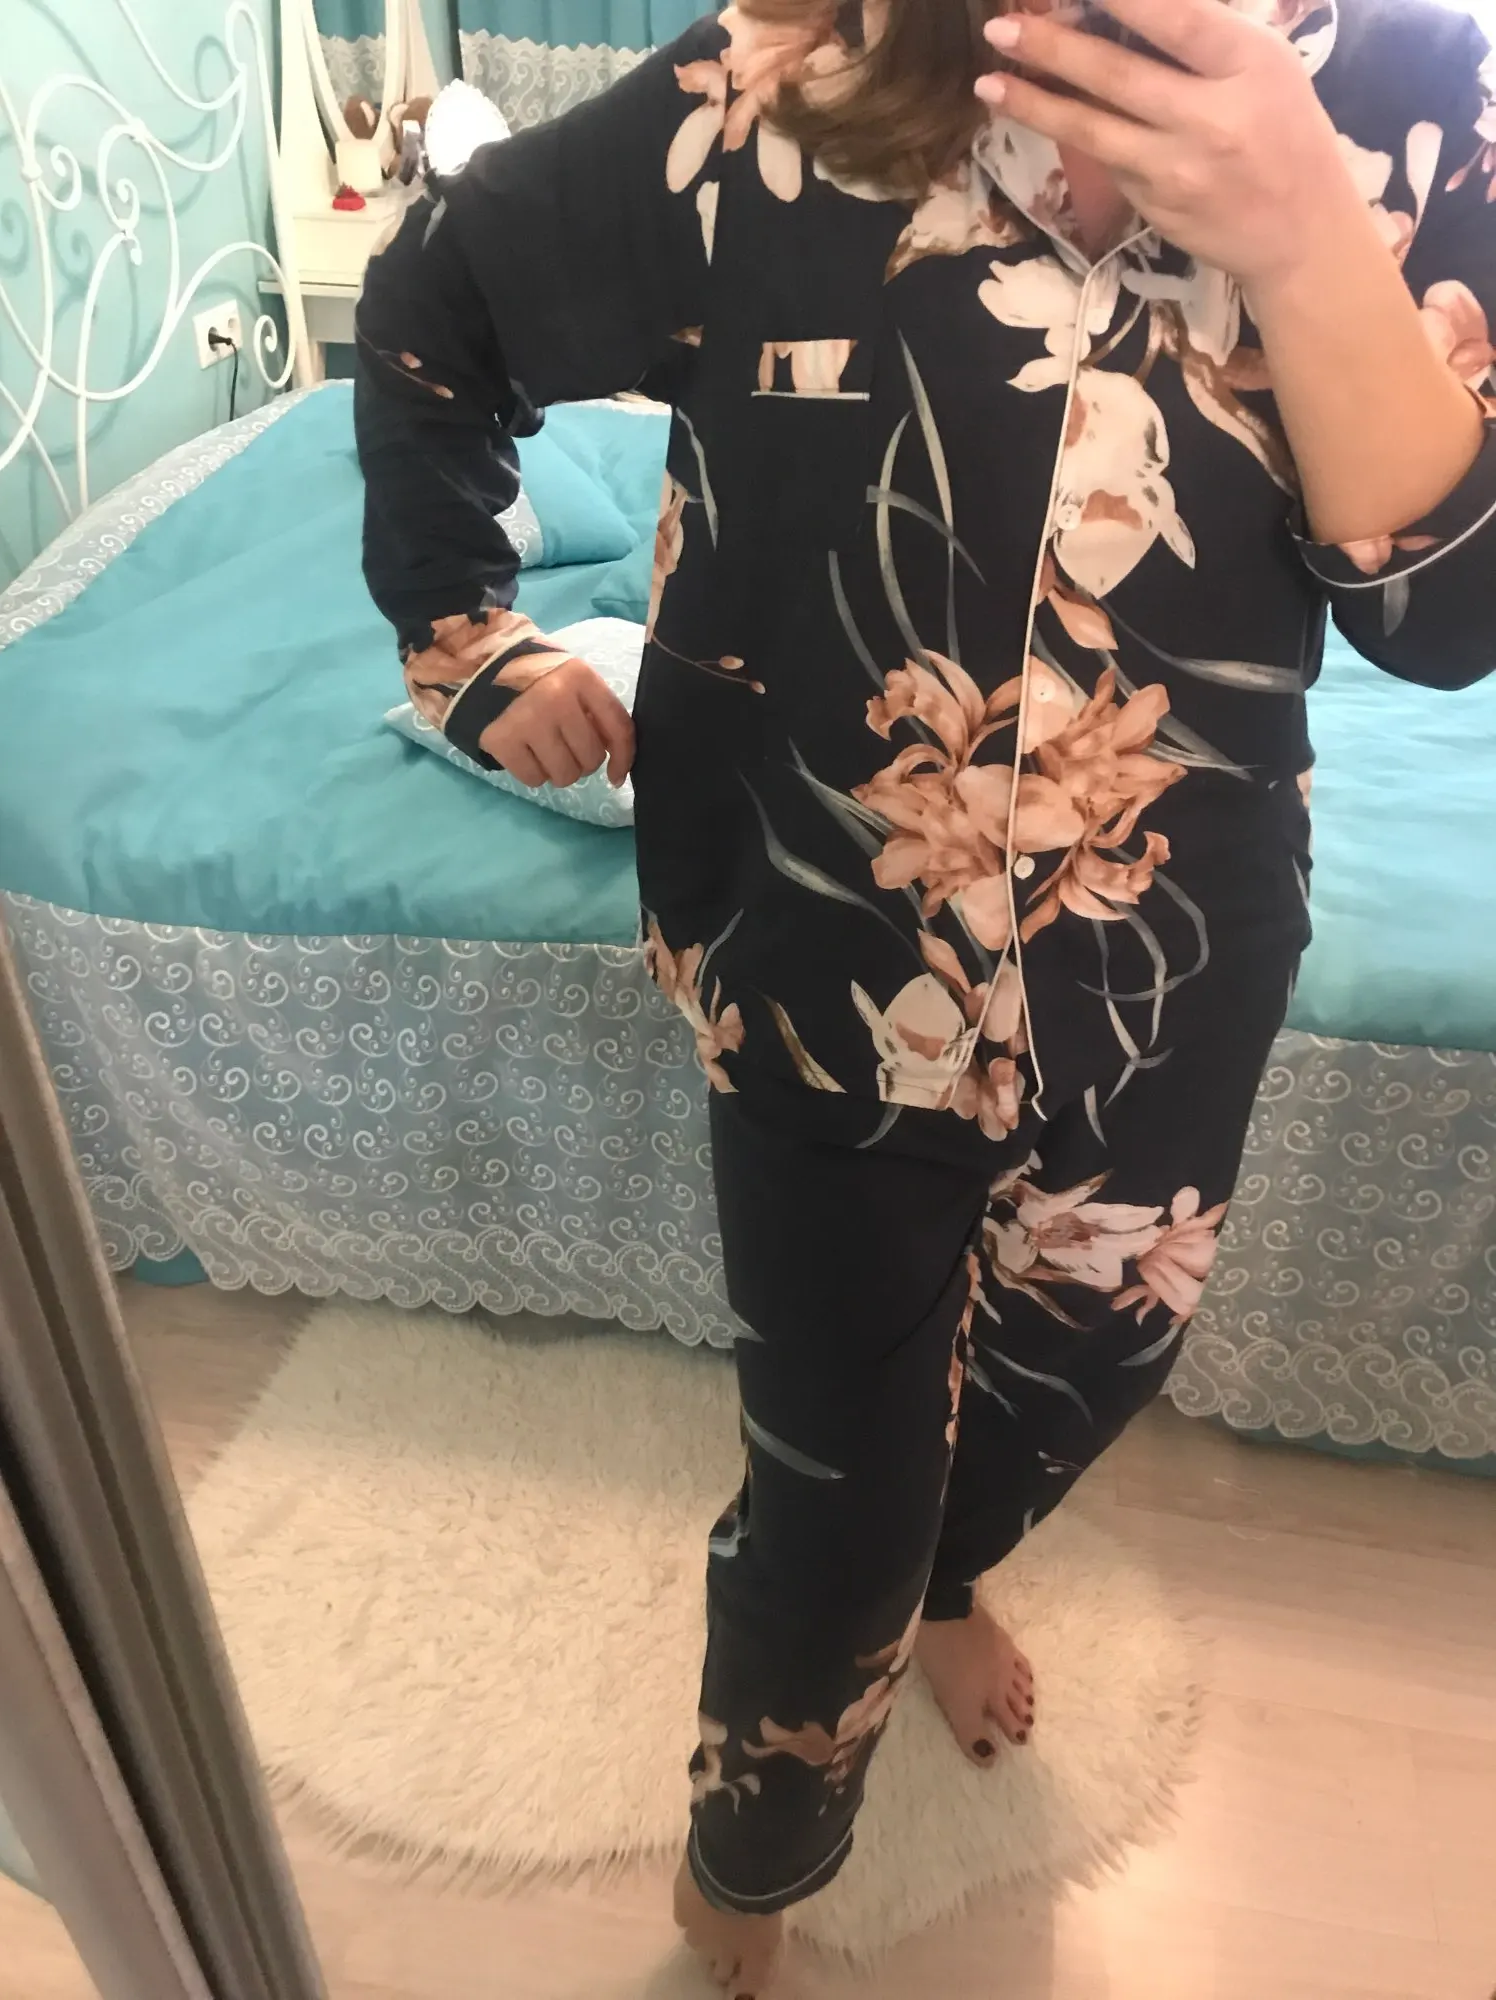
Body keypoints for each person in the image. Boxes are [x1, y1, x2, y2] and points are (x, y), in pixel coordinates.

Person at [354, 0, 1496, 1987]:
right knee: (830, 1514)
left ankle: (954, 1575)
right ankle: (746, 1866)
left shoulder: (1419, 100)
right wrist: (468, 638)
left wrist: (1310, 228)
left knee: (1086, 1372)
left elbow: (1446, 618)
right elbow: (433, 301)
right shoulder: (780, 83)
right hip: (823, 957)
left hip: (1171, 970)